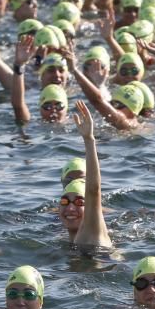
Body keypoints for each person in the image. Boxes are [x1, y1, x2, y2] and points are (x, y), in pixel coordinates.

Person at [59, 101, 113, 250]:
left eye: (79, 202)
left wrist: (89, 140)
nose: (70, 208)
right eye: (65, 201)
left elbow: (93, 190)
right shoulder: (68, 238)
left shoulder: (90, 232)